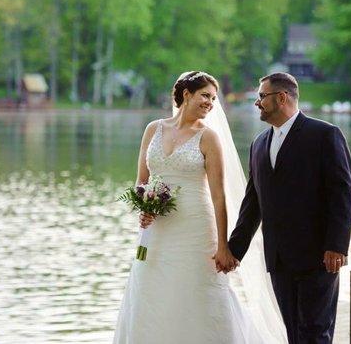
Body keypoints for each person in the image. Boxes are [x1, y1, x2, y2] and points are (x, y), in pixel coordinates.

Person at [113, 71, 285, 344]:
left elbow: (219, 197)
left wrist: (222, 246)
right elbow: (141, 181)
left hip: (196, 228)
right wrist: (143, 205)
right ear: (186, 94)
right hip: (158, 231)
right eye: (205, 95)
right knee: (152, 289)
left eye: (213, 99)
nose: (210, 103)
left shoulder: (208, 138)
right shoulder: (153, 129)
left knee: (197, 293)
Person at [228, 72, 351, 344]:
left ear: (282, 98)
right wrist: (234, 250)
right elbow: (253, 204)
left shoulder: (325, 135)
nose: (257, 103)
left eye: (262, 97)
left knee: (315, 331)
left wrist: (337, 245)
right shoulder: (259, 143)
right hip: (279, 259)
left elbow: (343, 194)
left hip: (319, 257)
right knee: (294, 333)